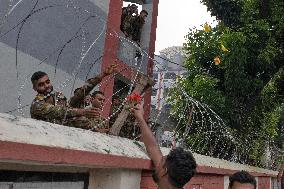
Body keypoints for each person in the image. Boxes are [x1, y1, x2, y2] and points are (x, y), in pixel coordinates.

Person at [131, 104, 197, 189]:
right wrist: (140, 117)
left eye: (161, 161)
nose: (157, 163)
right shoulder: (170, 174)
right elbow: (153, 147)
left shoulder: (167, 171)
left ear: (164, 171)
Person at [30, 71, 99, 129]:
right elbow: (58, 111)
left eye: (47, 82)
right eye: (41, 85)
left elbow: (79, 95)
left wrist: (100, 77)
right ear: (34, 88)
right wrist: (82, 112)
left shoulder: (59, 96)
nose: (46, 86)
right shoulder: (36, 104)